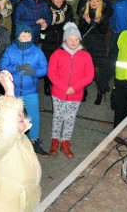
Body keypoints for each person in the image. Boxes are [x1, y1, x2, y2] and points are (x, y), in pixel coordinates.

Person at [0, 71, 41, 212]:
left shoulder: (22, 138)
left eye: (19, 112)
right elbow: (5, 130)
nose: (18, 115)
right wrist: (9, 90)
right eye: (12, 113)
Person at [0, 24, 49, 156]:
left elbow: (45, 69)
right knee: (12, 117)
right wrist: (16, 68)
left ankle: (34, 140)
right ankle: (13, 140)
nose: (26, 38)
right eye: (23, 35)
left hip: (30, 90)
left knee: (34, 117)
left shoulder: (37, 52)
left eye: (29, 35)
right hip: (13, 90)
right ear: (18, 37)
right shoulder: (10, 50)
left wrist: (33, 72)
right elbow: (3, 65)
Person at [47, 22, 94, 158]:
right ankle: (55, 140)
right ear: (65, 40)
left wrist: (74, 87)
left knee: (70, 118)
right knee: (58, 116)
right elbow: (52, 73)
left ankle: (65, 141)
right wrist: (64, 87)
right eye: (70, 39)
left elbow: (89, 75)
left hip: (75, 94)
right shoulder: (57, 54)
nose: (73, 42)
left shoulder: (85, 55)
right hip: (59, 93)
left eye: (76, 39)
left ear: (79, 40)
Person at [78, 0, 111, 105]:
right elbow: (81, 30)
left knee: (97, 71)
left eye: (97, 1)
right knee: (84, 70)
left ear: (100, 2)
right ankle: (84, 91)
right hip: (86, 44)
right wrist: (87, 23)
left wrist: (93, 22)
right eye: (92, 0)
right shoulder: (84, 13)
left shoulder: (103, 15)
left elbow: (103, 31)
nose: (94, 3)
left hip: (98, 45)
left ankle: (100, 92)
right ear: (89, 2)